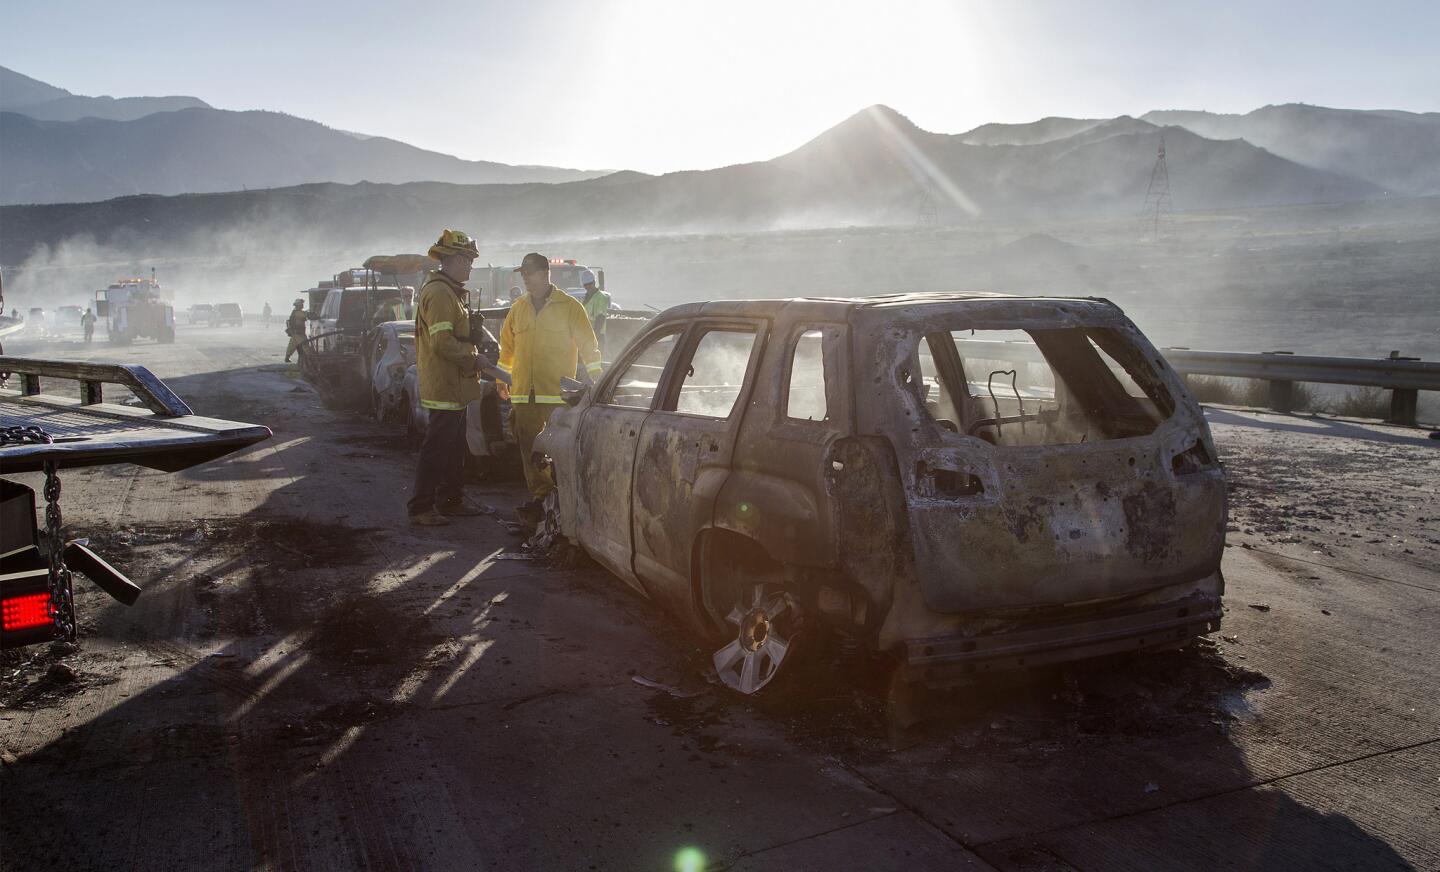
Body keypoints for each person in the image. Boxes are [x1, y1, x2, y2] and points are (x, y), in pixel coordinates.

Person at [498, 252, 603, 530]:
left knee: (558, 452)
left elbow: (589, 347)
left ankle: (564, 500)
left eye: (530, 273)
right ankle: (542, 500)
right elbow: (507, 348)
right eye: (523, 274)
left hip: (556, 396)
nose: (526, 279)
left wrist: (599, 381)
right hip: (523, 394)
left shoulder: (569, 307)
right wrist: (501, 379)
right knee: (529, 451)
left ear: (546, 273)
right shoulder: (518, 308)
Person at [408, 229, 491, 526]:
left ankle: (451, 500)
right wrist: (473, 356)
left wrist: (469, 333)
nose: (470, 266)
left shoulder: (448, 290)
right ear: (455, 259)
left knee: (454, 447)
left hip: (454, 385)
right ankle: (421, 507)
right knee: (438, 448)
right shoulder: (441, 293)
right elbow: (442, 343)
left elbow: (450, 334)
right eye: (468, 260)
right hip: (445, 384)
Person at [579, 268, 611, 355]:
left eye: (590, 284)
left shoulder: (600, 297)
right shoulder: (585, 298)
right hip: (585, 337)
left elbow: (600, 319)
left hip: (597, 336)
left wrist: (593, 338)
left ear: (594, 282)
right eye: (586, 285)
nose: (588, 286)